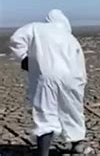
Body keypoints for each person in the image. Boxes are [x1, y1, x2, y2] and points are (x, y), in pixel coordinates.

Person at [9, 10, 87, 155]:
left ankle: (43, 153)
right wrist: (79, 86)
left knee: (45, 112)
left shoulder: (36, 28)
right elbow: (80, 66)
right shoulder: (71, 39)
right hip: (71, 78)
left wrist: (24, 58)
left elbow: (16, 39)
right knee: (72, 110)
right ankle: (77, 144)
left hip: (46, 76)